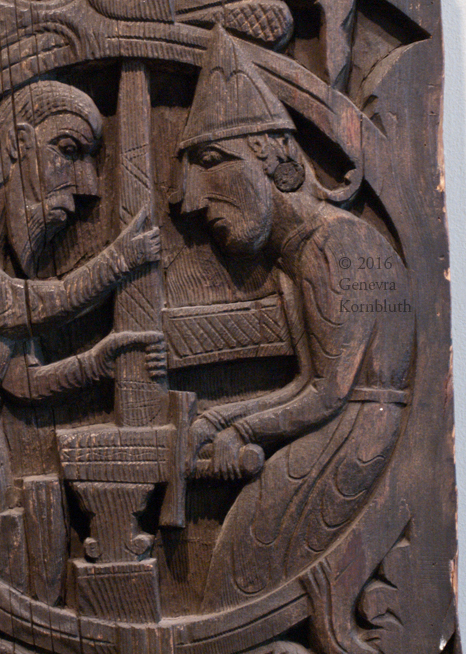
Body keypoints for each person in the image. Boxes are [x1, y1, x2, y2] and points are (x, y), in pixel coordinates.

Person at [174, 26, 415, 610]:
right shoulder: (297, 256)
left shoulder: (338, 243)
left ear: (269, 152)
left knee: (247, 552)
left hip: (362, 432)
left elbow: (329, 393)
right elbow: (307, 384)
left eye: (211, 163)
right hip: (339, 424)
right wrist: (216, 420)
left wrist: (239, 430)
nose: (194, 200)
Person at [0, 80, 164, 588]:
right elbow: (42, 305)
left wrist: (97, 362)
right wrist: (119, 261)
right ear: (18, 142)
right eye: (68, 151)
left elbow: (24, 382)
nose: (87, 185)